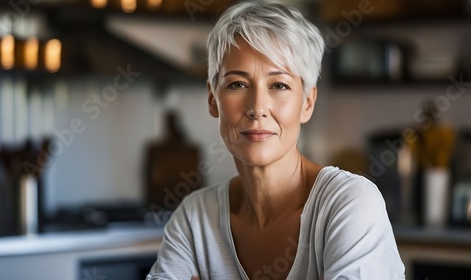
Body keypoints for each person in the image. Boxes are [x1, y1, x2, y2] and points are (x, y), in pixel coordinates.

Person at [147, 1, 405, 279]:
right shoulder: (194, 218)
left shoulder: (349, 204)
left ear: (307, 102)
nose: (257, 107)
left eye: (279, 85)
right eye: (237, 84)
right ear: (213, 99)